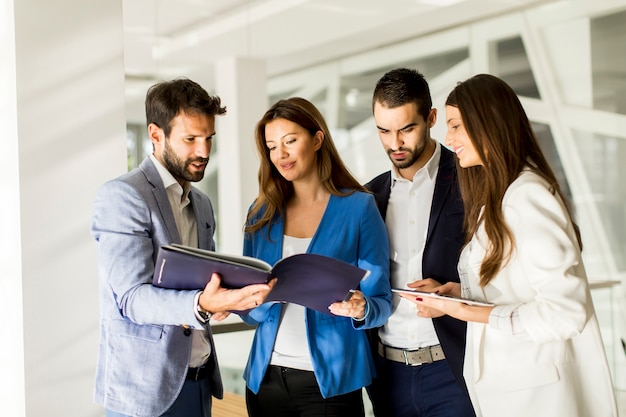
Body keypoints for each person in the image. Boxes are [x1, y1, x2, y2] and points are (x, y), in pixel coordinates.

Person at [401, 73, 618, 417]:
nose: (448, 137)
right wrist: (457, 295)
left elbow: (566, 311)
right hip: (509, 390)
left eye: (456, 125)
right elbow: (514, 287)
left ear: (487, 122)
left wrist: (472, 312)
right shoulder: (498, 199)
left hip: (539, 396)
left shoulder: (526, 196)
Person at [91, 78, 274, 417]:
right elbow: (132, 299)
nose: (203, 151)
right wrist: (202, 303)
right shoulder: (123, 197)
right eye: (190, 139)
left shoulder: (201, 204)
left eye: (208, 139)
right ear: (155, 134)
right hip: (145, 391)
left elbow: (201, 283)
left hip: (199, 381)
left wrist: (228, 298)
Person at [240, 97, 393, 417]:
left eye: (290, 141)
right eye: (271, 146)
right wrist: (252, 301)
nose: (279, 154)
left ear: (318, 139)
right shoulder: (262, 214)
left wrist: (361, 308)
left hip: (330, 385)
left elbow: (381, 302)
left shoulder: (359, 208)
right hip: (265, 380)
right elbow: (249, 312)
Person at [364, 68, 475, 417]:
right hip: (388, 375)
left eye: (406, 129)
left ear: (430, 118)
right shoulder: (369, 196)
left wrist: (459, 290)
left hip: (453, 370)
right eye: (384, 130)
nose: (394, 143)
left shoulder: (471, 180)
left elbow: (503, 267)